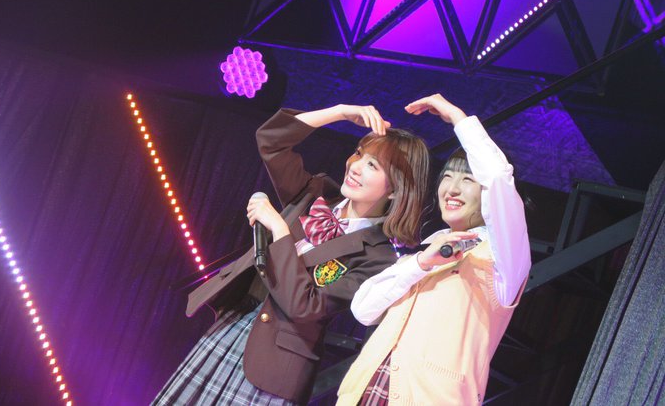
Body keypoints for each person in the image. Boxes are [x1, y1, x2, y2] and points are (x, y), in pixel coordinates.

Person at [153, 104, 430, 405]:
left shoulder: (379, 257)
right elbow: (271, 140)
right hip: (234, 326)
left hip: (276, 365)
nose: (355, 166)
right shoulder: (315, 193)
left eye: (373, 165)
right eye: (358, 153)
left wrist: (279, 229)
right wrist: (339, 112)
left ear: (395, 190)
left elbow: (305, 306)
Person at [337, 94, 531, 405]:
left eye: (468, 180)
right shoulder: (427, 250)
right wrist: (420, 264)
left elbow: (497, 178)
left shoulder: (502, 259)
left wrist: (457, 117)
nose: (452, 188)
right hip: (365, 393)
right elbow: (363, 309)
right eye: (447, 177)